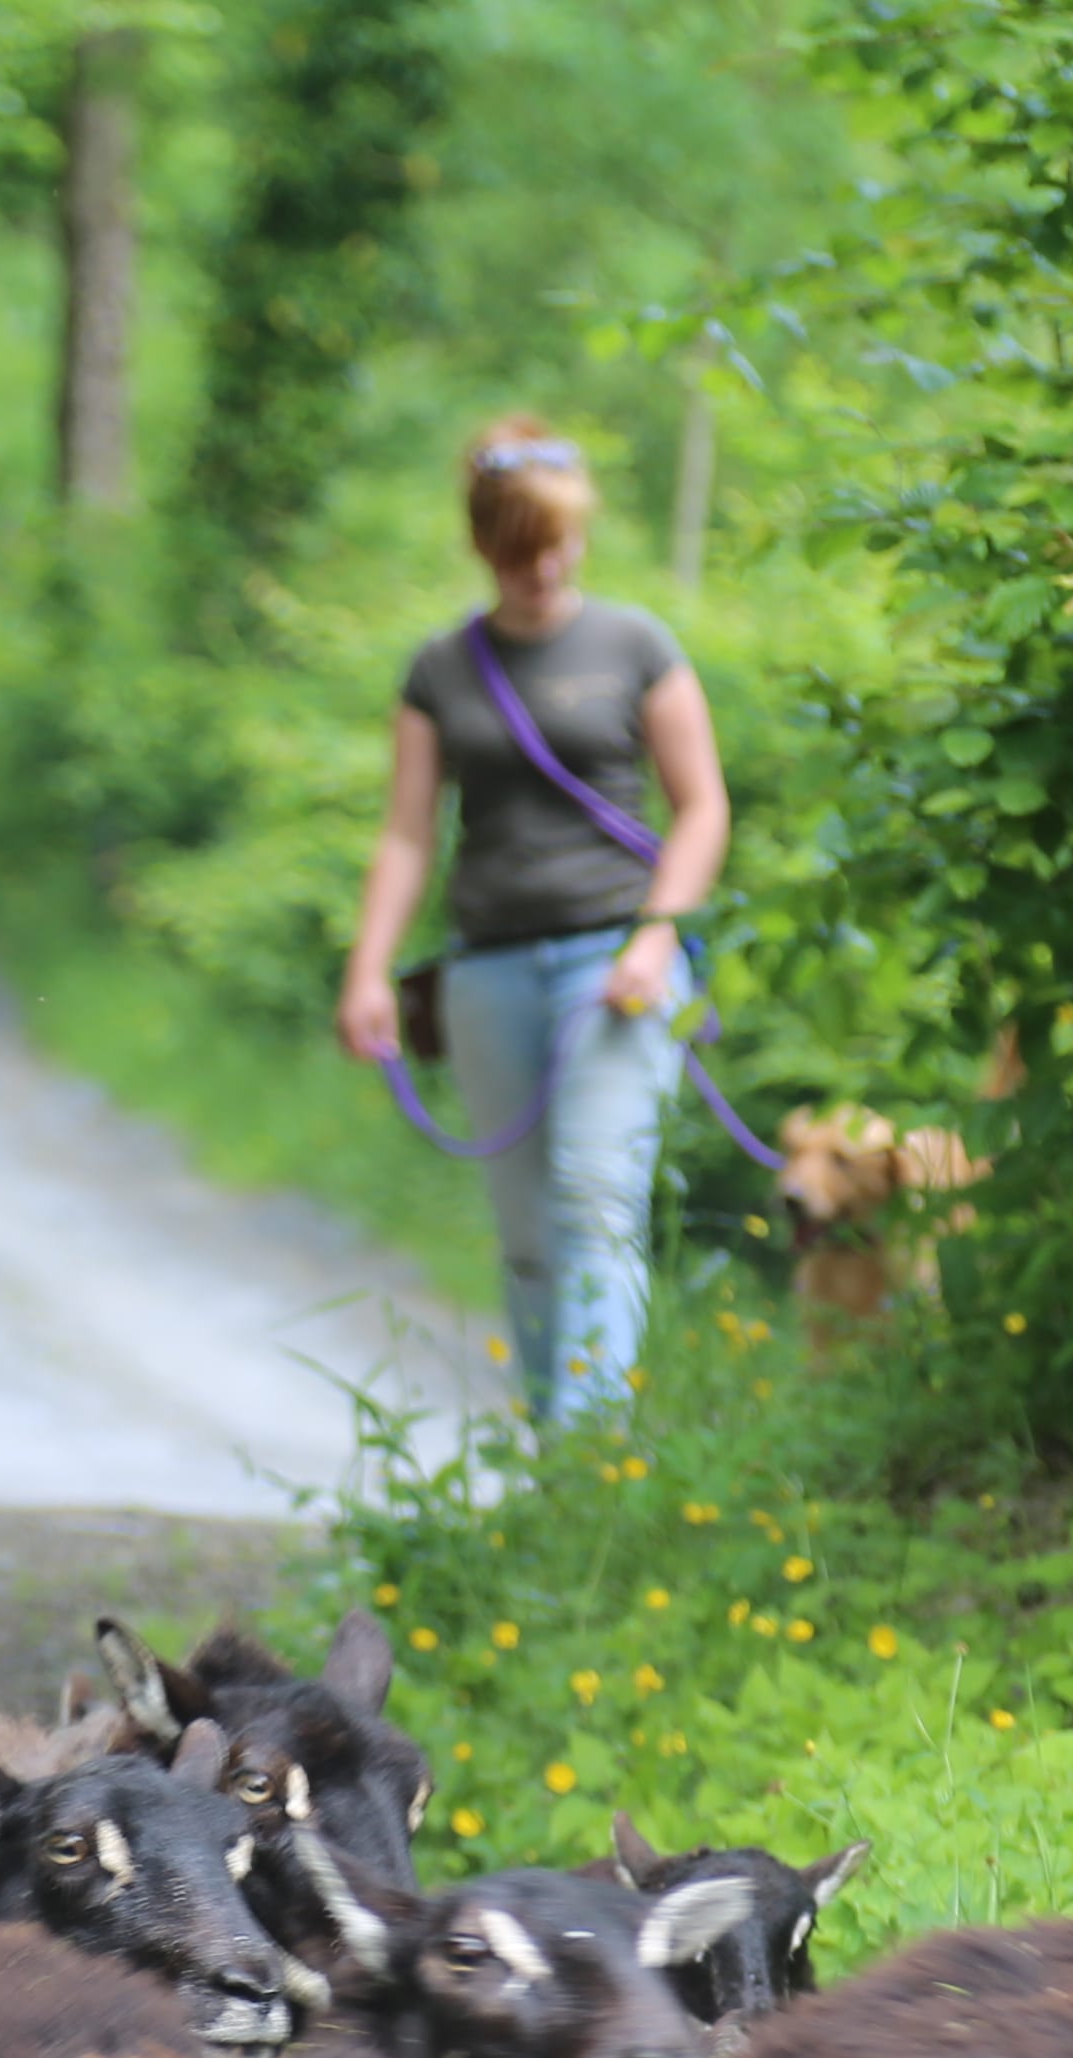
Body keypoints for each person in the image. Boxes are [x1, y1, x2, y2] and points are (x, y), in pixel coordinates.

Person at [336, 417, 734, 1427]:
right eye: (519, 549)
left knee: (595, 1204)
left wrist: (656, 935)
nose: (542, 567)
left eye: (557, 542)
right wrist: (370, 969)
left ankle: (588, 1456)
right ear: (482, 545)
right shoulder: (441, 669)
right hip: (489, 976)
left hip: (614, 968)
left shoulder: (635, 645)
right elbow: (408, 835)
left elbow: (702, 808)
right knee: (525, 1233)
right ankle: (556, 1457)